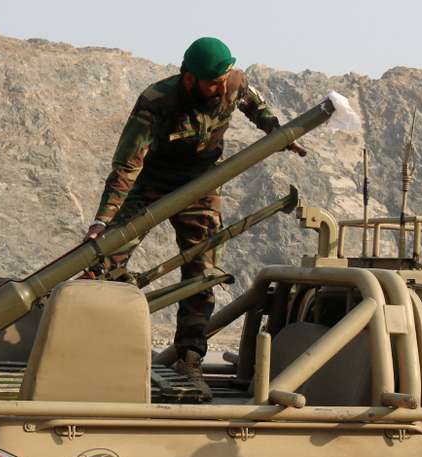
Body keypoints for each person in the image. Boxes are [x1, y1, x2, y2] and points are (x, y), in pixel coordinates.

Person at [84, 37, 306, 400]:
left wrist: (278, 132)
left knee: (202, 274)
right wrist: (102, 222)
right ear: (189, 78)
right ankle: (87, 348)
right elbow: (126, 166)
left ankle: (189, 360)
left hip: (201, 183)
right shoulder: (157, 101)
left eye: (224, 79)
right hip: (153, 182)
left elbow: (255, 106)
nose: (221, 87)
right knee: (106, 259)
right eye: (213, 83)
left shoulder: (233, 82)